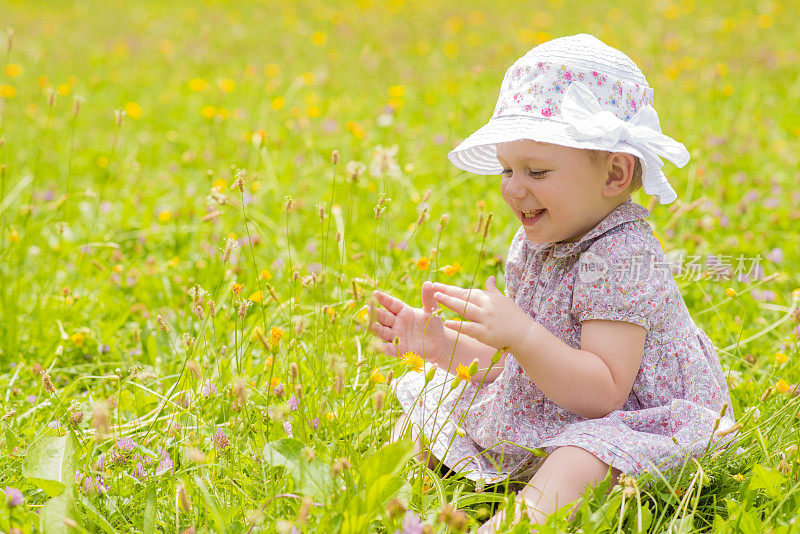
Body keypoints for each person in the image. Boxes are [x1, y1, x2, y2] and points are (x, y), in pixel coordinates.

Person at [369, 34, 736, 531]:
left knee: (581, 457)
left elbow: (604, 393)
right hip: (558, 397)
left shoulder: (621, 256)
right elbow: (515, 367)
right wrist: (439, 344)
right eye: (506, 169)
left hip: (637, 417)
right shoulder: (536, 243)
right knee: (434, 405)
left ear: (614, 174)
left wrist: (521, 333)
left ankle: (514, 522)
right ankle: (381, 496)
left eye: (537, 171)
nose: (513, 188)